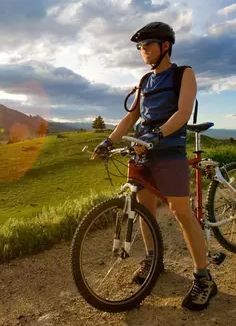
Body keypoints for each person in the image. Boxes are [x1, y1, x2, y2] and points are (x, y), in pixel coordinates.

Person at [92, 22, 217, 311]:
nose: (142, 50)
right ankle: (153, 261)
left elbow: (183, 112)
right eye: (139, 46)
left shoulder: (183, 74)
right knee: (144, 211)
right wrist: (108, 142)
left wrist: (157, 135)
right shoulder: (145, 81)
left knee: (181, 212)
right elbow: (130, 118)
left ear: (165, 47)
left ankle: (203, 277)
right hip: (142, 154)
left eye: (147, 44)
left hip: (168, 151)